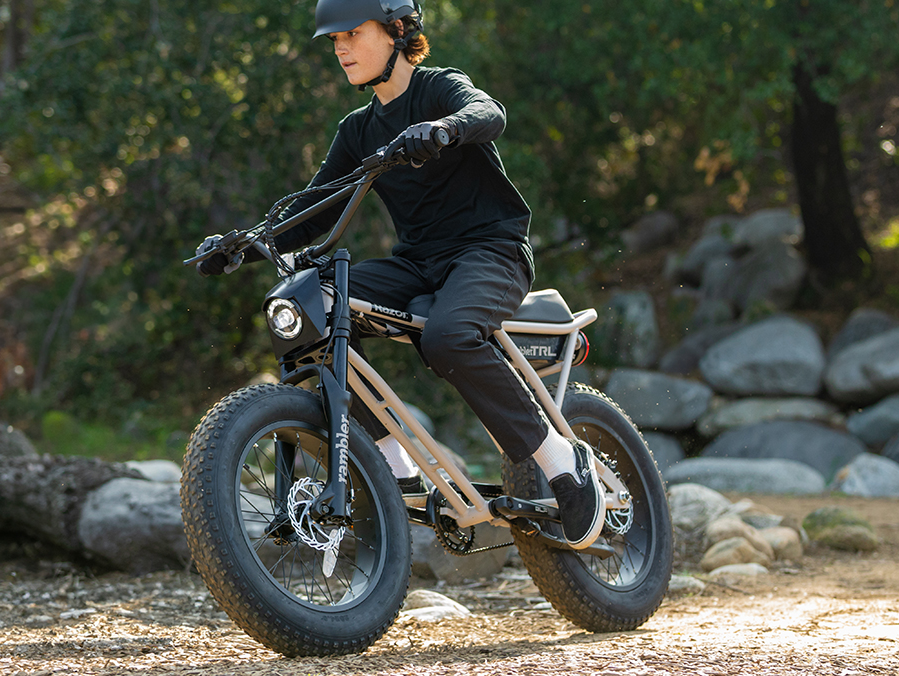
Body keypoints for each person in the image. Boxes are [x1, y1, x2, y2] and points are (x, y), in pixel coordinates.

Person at [195, 0, 605, 549]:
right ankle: (396, 462)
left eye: (351, 34)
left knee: (448, 337)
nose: (340, 48)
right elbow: (312, 210)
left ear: (396, 31)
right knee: (313, 304)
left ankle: (562, 462)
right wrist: (241, 246)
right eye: (333, 39)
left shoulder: (439, 88)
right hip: (419, 263)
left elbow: (490, 114)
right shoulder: (359, 130)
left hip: (491, 250)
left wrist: (441, 129)